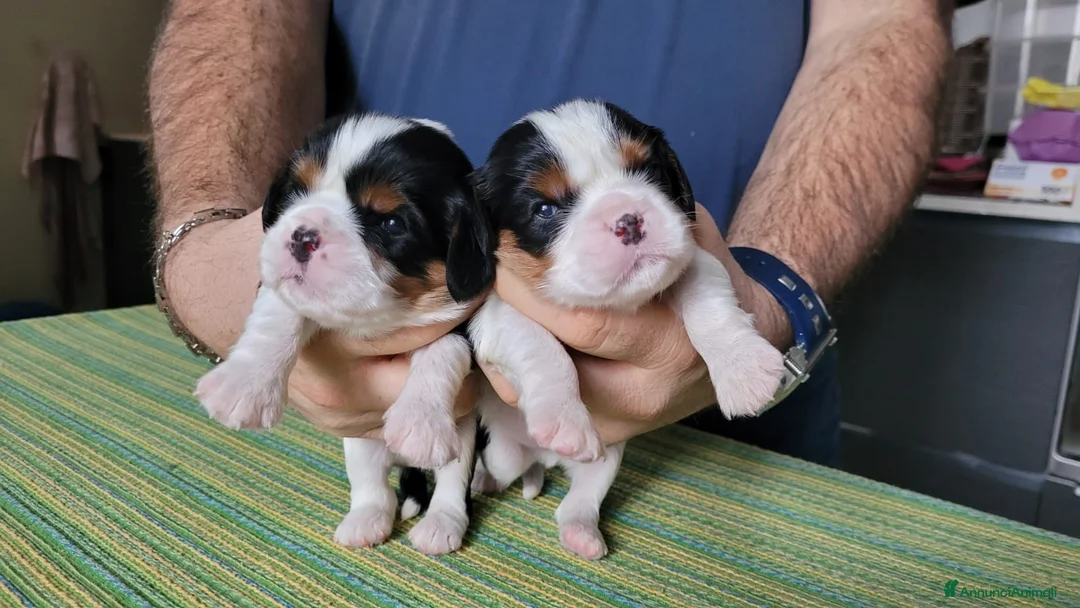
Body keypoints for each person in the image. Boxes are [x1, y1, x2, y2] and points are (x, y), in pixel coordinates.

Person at [148, 0, 950, 468]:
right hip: (357, 394)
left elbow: (885, 20)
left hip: (760, 408)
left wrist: (771, 298)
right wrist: (200, 248)